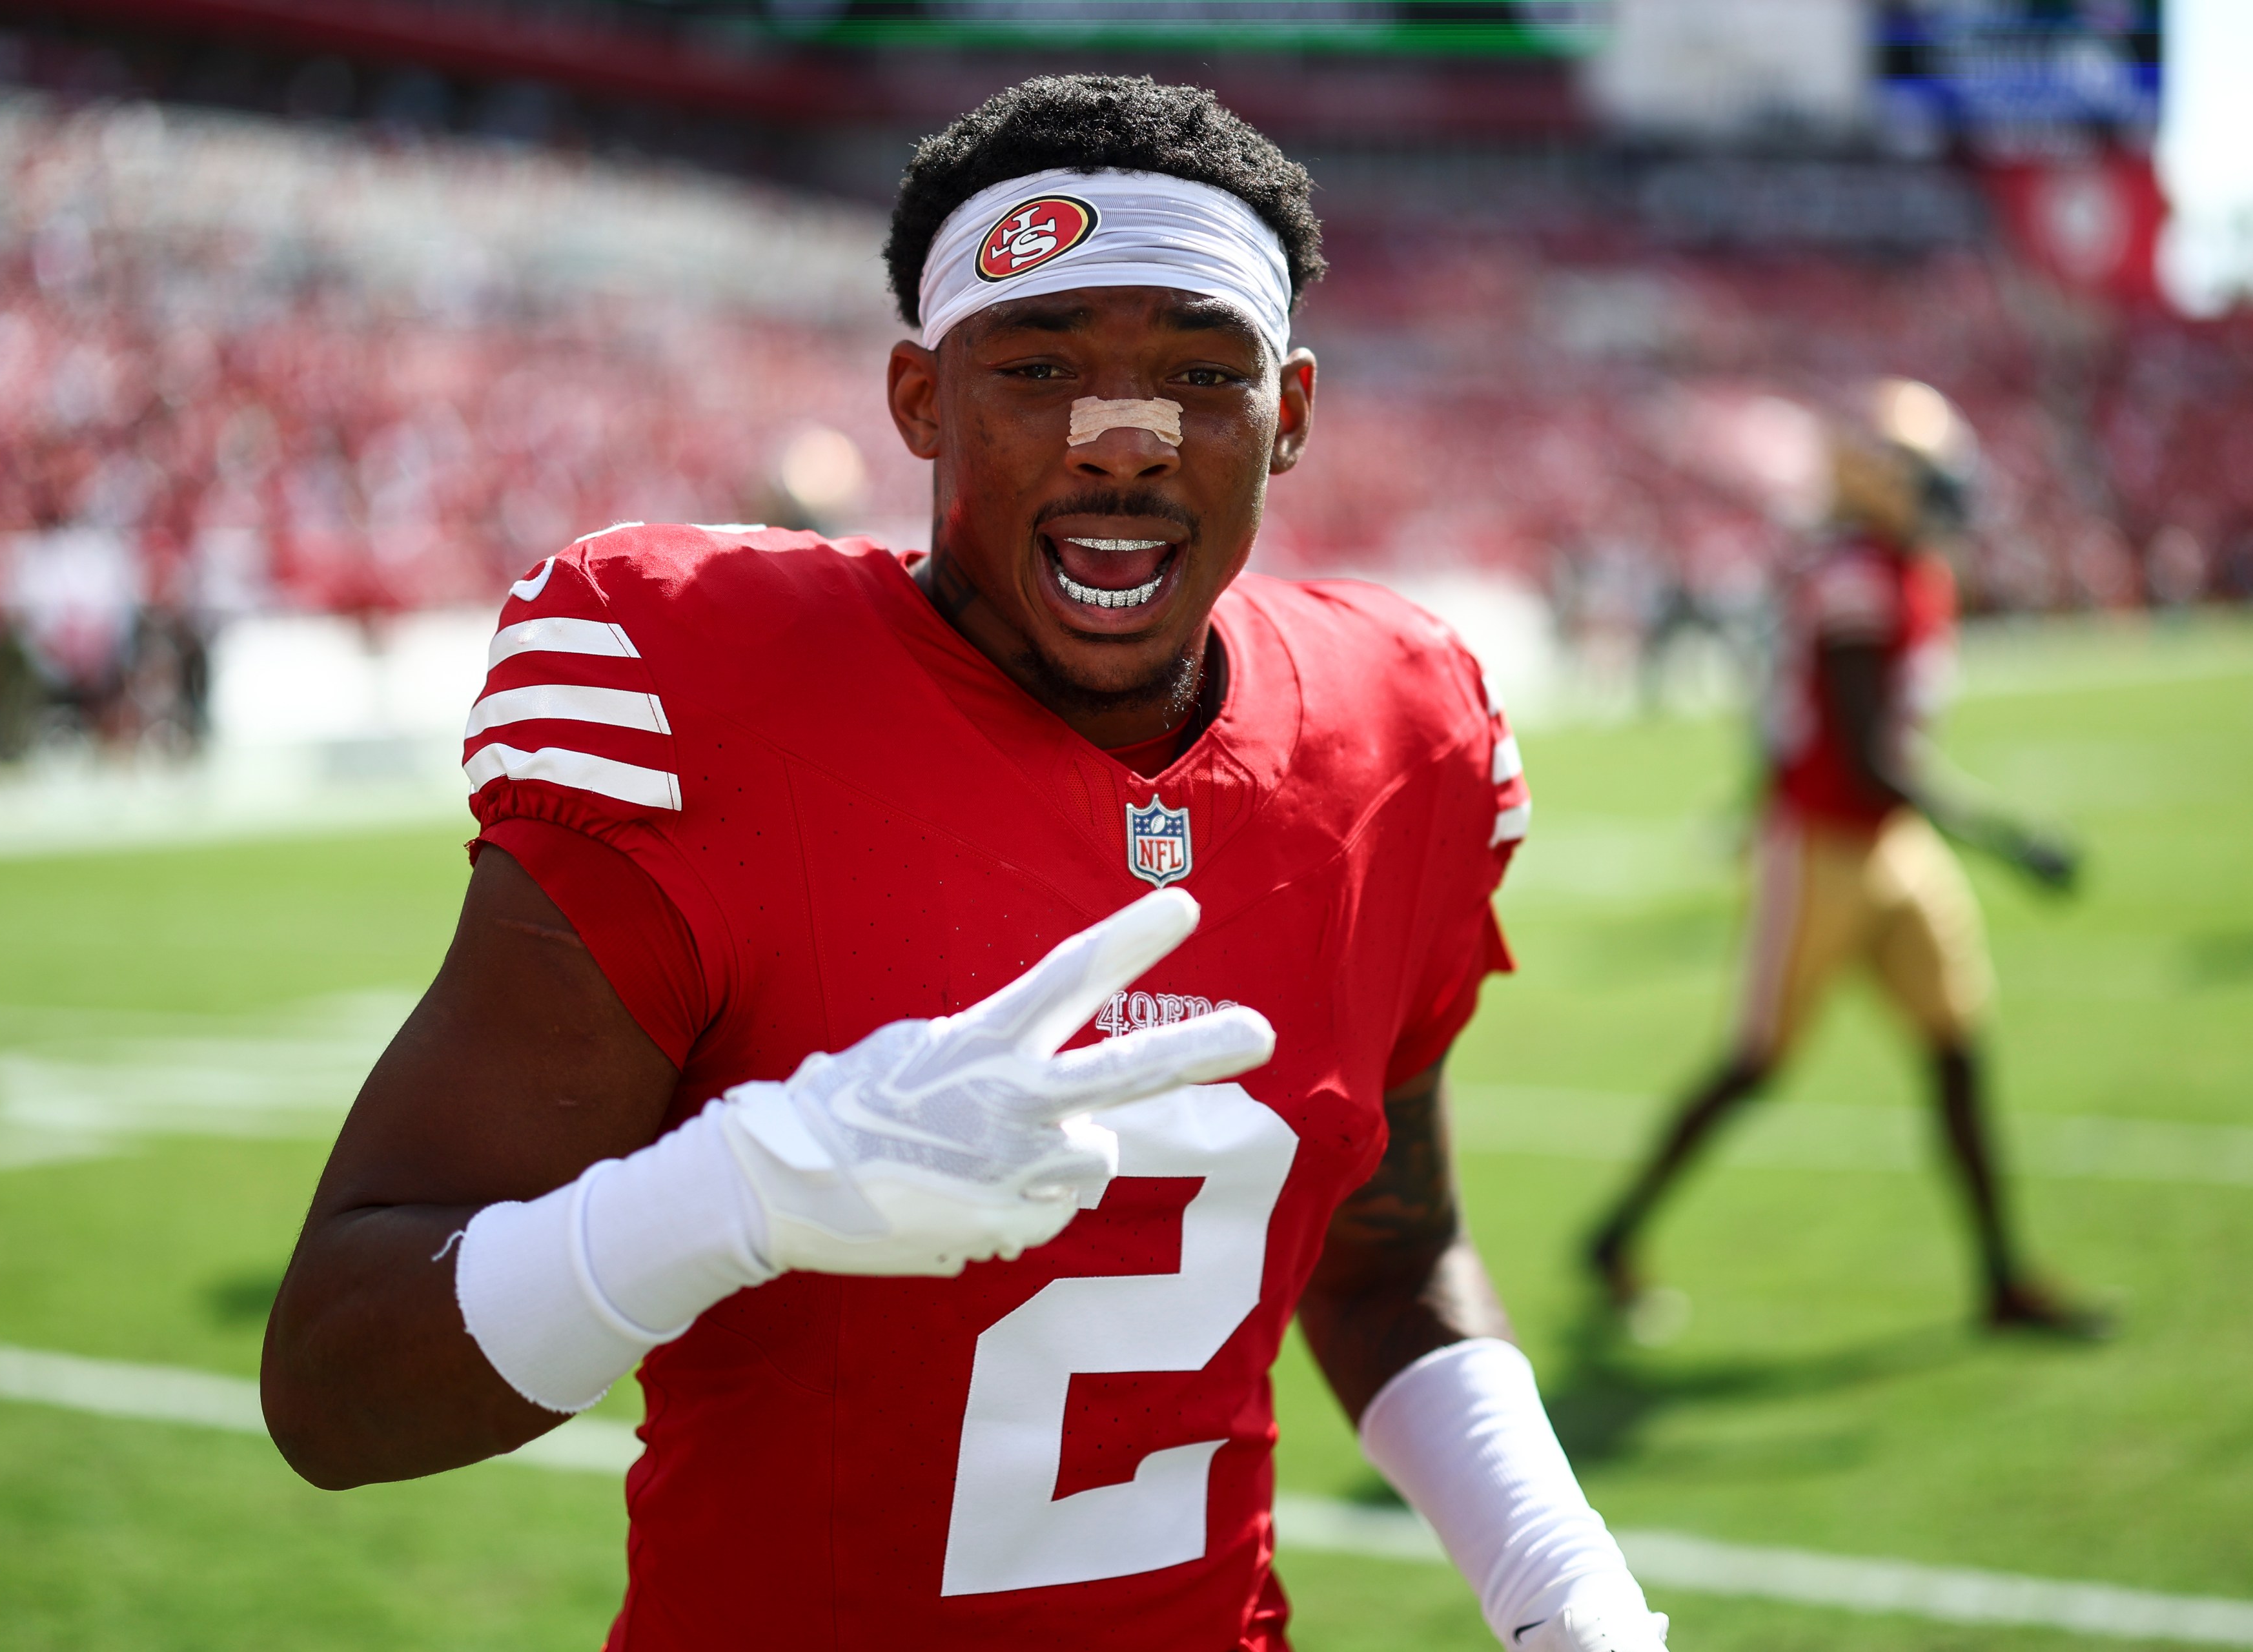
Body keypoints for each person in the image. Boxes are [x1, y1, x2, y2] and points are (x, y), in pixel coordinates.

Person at [264, 75, 1673, 1651]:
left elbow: (1388, 1260)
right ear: (922, 399)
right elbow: (336, 1386)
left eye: (1202, 374)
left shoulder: (1391, 730)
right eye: (1043, 364)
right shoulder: (713, 703)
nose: (1124, 444)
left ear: (1291, 413)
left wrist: (1563, 1584)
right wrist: (734, 1191)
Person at [1585, 378, 2104, 1338]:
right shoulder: (1854, 576)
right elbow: (1870, 756)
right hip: (1821, 847)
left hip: (1889, 845)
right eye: (1932, 470)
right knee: (1756, 1063)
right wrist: (2003, 838)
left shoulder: (1911, 568)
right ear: (1882, 479)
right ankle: (1613, 1234)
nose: (1951, 487)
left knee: (1957, 1050)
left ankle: (2001, 1279)